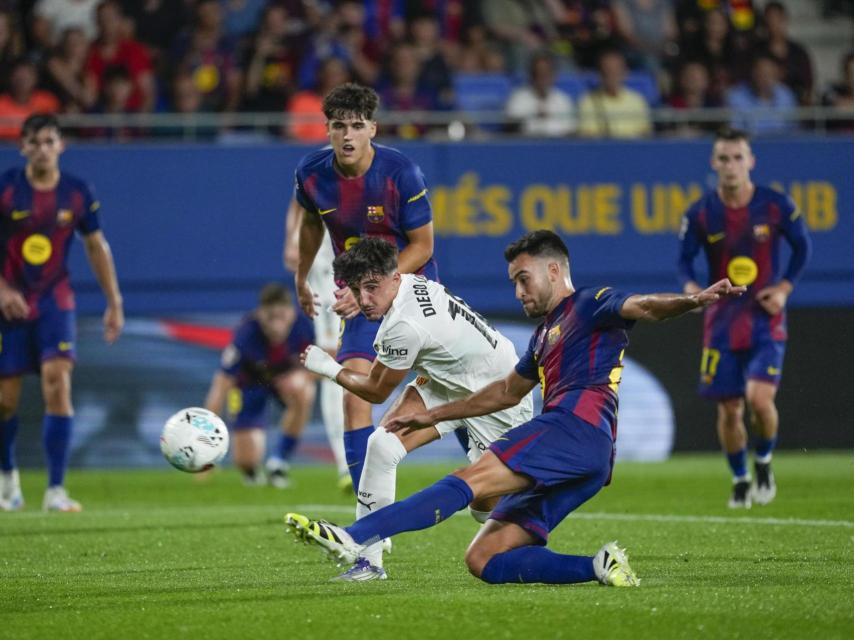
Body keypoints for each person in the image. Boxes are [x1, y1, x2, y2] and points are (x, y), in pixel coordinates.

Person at [285, 230, 747, 586]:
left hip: (571, 427)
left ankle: (356, 535)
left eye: (523, 279)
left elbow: (643, 306)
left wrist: (693, 301)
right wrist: (432, 415)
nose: (519, 291)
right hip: (587, 461)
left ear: (553, 271)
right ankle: (598, 567)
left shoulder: (588, 303)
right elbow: (505, 393)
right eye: (513, 283)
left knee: (470, 483)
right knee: (483, 558)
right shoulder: (544, 337)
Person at [300, 237, 534, 581]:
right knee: (381, 445)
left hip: (497, 391)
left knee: (484, 508)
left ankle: (524, 521)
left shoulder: (403, 327)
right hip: (449, 377)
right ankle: (369, 562)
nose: (364, 300)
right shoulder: (409, 284)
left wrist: (327, 367)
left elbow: (375, 391)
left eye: (371, 287)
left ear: (394, 278)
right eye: (356, 289)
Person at [292, 83, 436, 503]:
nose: (348, 135)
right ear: (328, 131)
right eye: (339, 126)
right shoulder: (311, 173)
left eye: (357, 126)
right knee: (355, 395)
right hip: (359, 297)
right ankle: (368, 518)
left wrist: (371, 285)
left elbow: (423, 246)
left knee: (458, 392)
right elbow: (310, 227)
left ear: (373, 128)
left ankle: (487, 466)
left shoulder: (400, 172)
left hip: (415, 290)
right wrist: (302, 278)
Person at [677, 128, 811, 509]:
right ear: (713, 163)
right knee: (730, 409)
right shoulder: (702, 212)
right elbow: (683, 259)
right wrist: (691, 288)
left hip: (766, 319)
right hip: (720, 322)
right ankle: (740, 477)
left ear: (751, 161)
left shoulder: (775, 206)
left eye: (738, 157)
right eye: (724, 158)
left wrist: (784, 288)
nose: (731, 165)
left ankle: (764, 461)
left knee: (759, 400)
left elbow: (803, 246)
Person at [0, 113, 124, 512]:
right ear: (23, 148)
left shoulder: (77, 192)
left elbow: (95, 246)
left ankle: (55, 490)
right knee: (5, 400)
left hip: (55, 300)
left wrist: (114, 302)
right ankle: (7, 481)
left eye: (49, 141)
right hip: (9, 302)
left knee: (57, 380)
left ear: (61, 146)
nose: (42, 149)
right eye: (34, 142)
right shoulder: (5, 189)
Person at [204, 283, 315, 488]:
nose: (276, 325)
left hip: (284, 381)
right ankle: (251, 470)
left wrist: (304, 376)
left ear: (291, 313)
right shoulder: (245, 335)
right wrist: (206, 445)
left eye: (281, 316)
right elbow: (221, 385)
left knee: (305, 391)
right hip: (249, 385)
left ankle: (278, 463)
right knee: (247, 460)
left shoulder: (303, 326)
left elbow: (325, 366)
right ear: (259, 314)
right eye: (270, 317)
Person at [283, 197, 350, 491]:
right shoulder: (322, 164)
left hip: (369, 262)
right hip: (328, 264)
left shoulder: (387, 166)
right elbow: (299, 202)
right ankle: (346, 462)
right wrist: (292, 239)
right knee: (335, 361)